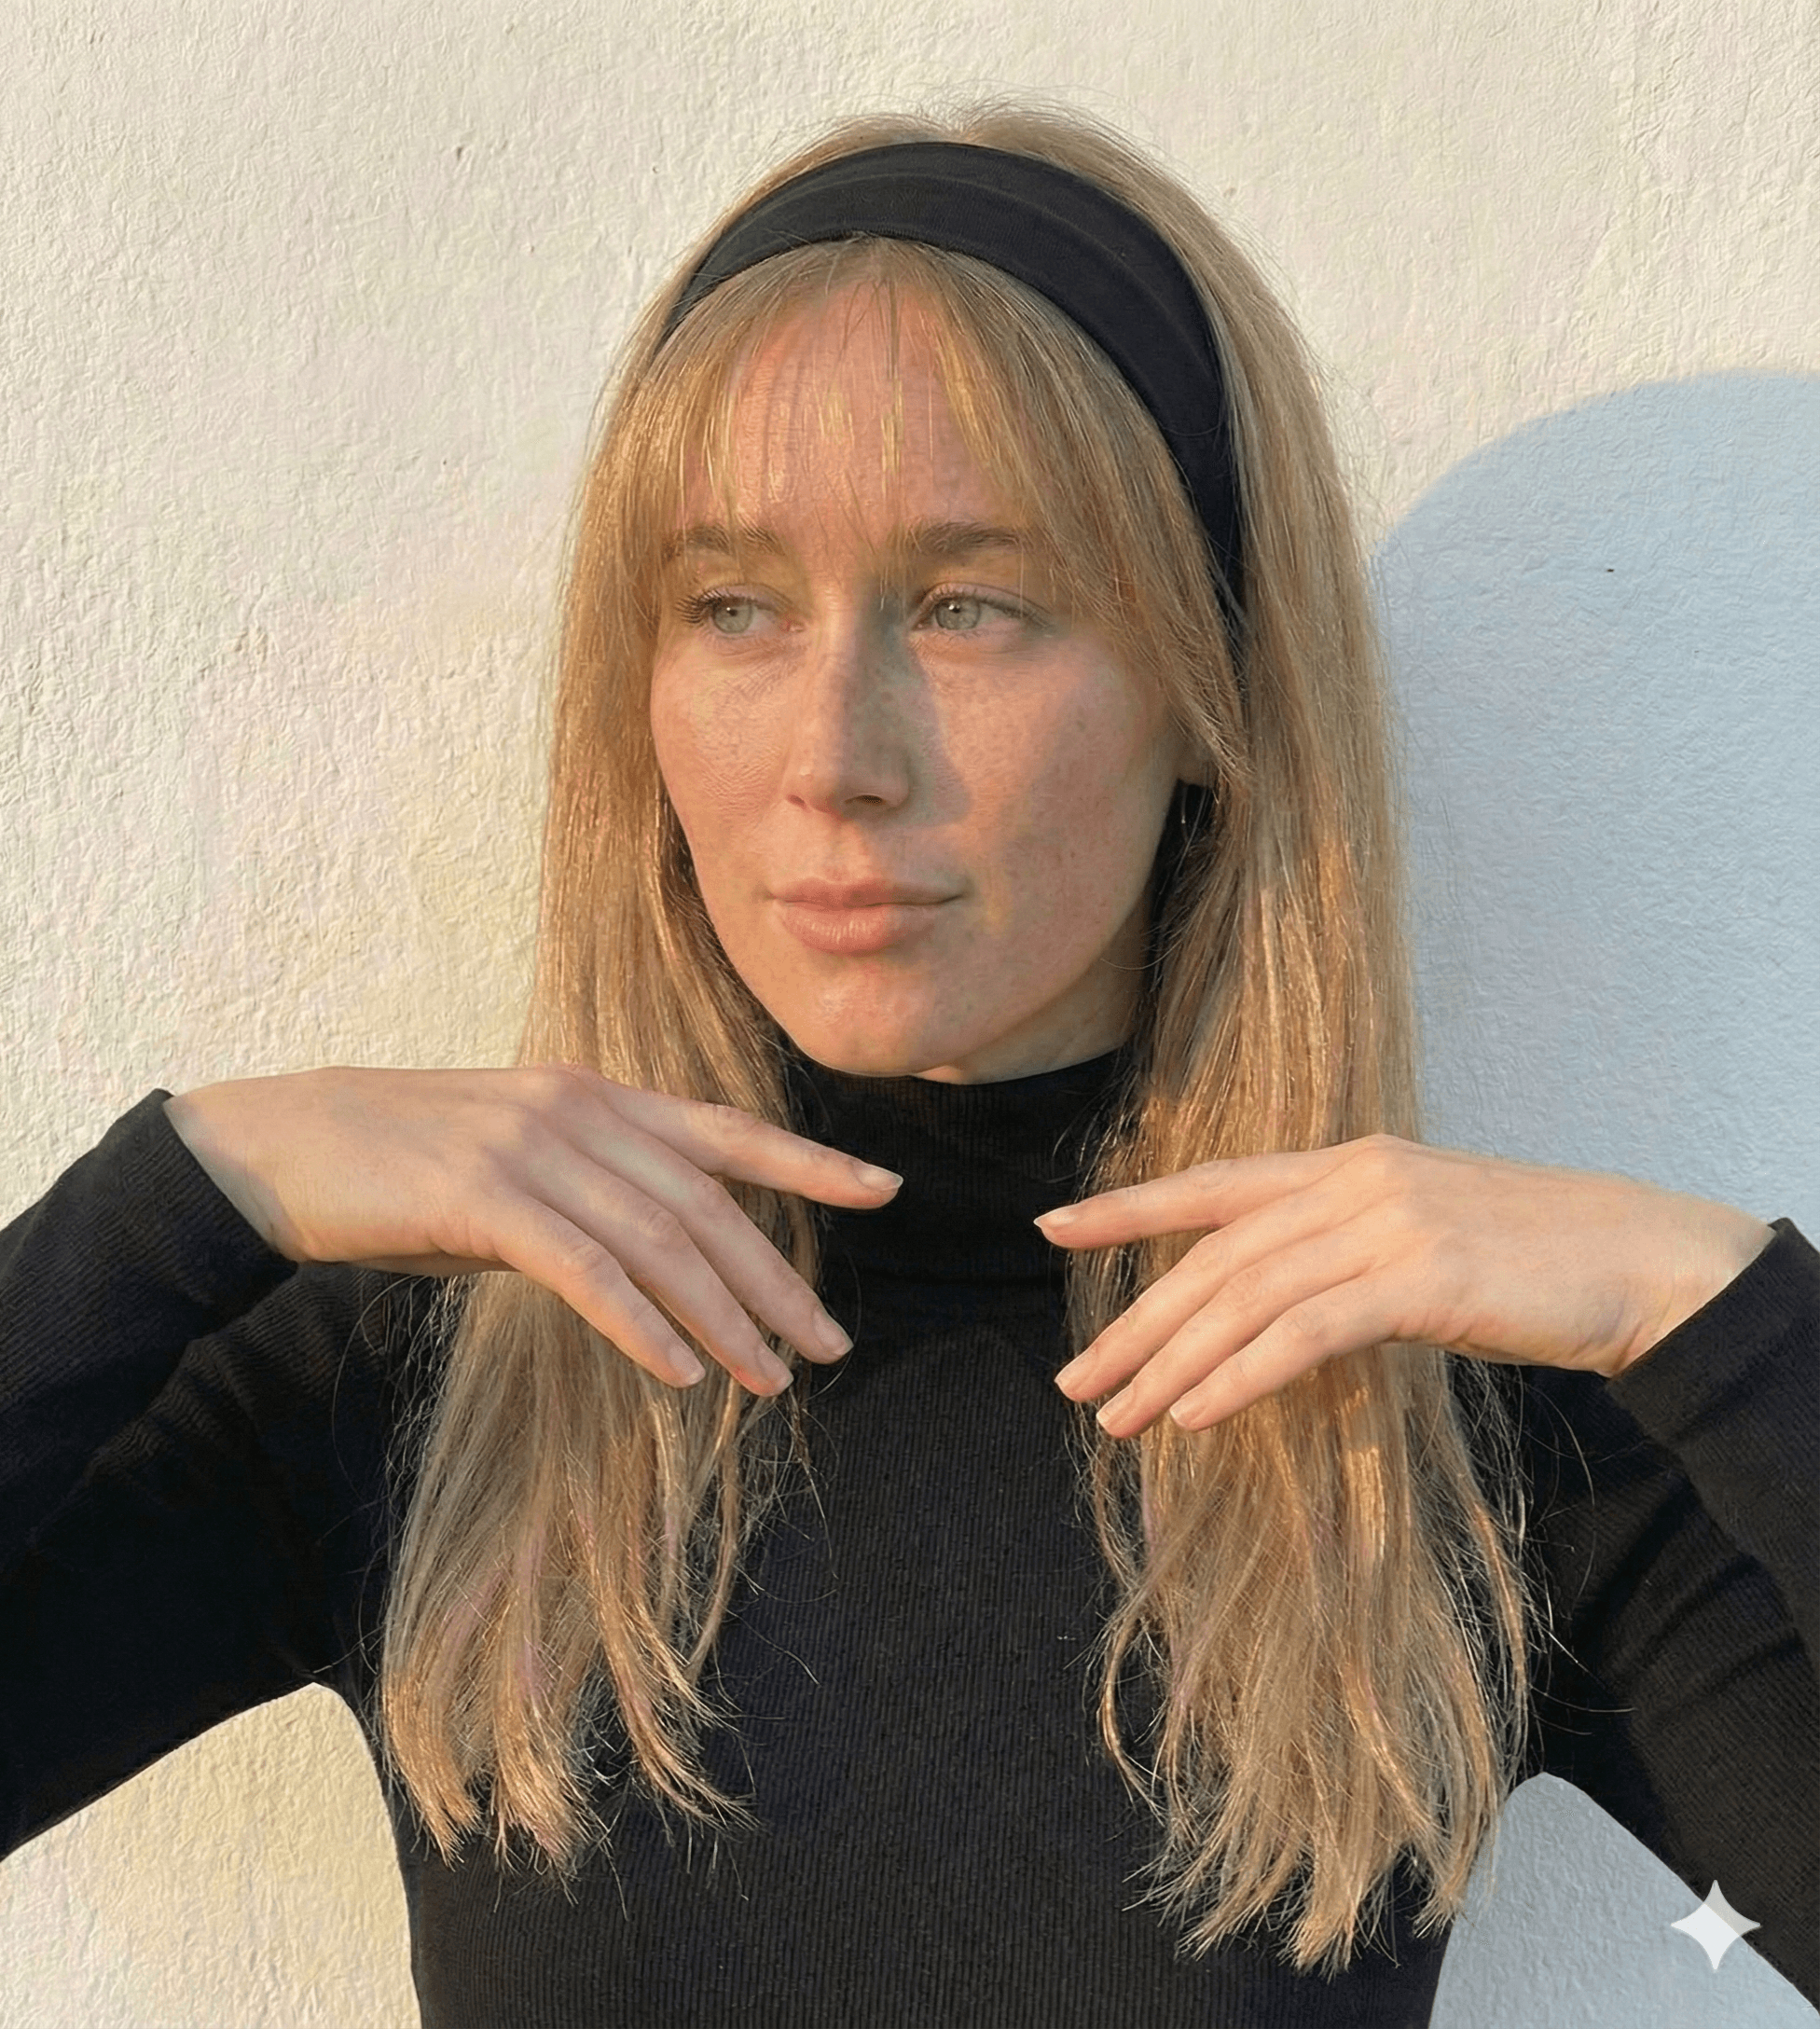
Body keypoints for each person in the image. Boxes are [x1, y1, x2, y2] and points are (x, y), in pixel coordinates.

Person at [3, 104, 1814, 2026]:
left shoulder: (1440, 1447)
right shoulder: (429, 1375)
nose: (833, 757)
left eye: (970, 605)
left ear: (1212, 686)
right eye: (731, 607)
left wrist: (1711, 1310)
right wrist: (185, 1194)